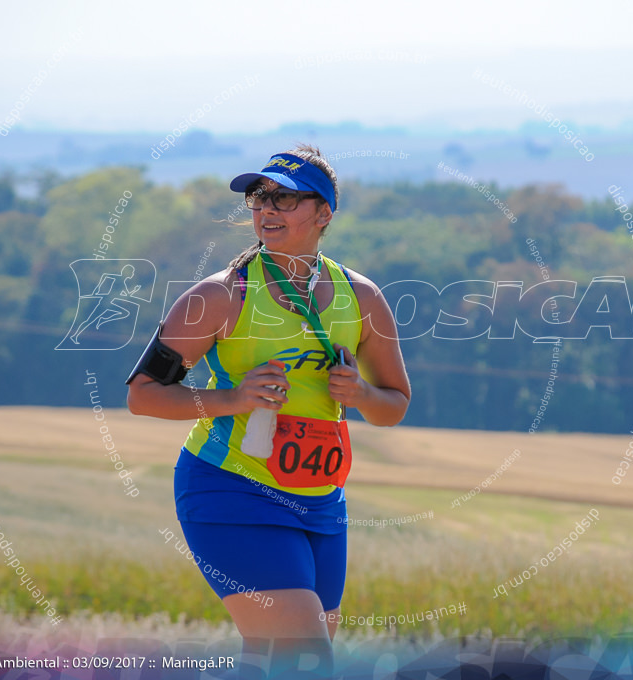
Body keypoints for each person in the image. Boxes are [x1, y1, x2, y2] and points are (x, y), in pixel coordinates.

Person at [126, 145, 411, 677]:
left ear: (324, 213)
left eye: (284, 197)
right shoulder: (218, 297)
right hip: (231, 488)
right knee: (305, 660)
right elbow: (143, 394)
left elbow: (394, 405)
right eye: (260, 197)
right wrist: (232, 399)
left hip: (322, 500)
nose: (267, 209)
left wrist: (363, 396)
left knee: (278, 662)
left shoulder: (362, 297)